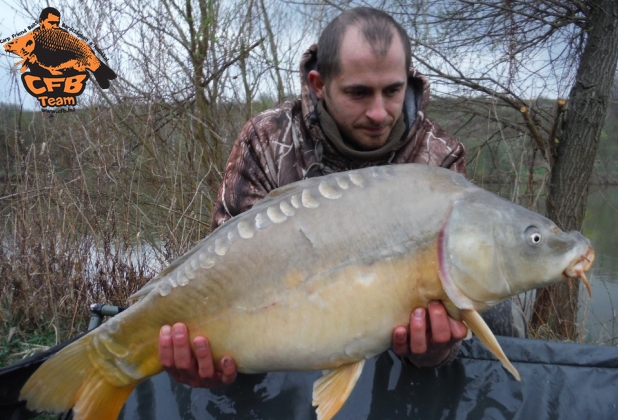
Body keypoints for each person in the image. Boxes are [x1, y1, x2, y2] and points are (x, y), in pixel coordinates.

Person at [158, 7, 522, 389]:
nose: (379, 113)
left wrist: (434, 352)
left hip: (391, 355)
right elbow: (225, 273)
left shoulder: (439, 158)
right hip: (280, 329)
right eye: (359, 93)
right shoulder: (267, 139)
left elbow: (456, 295)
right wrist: (208, 353)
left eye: (393, 90)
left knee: (501, 313)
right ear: (319, 84)